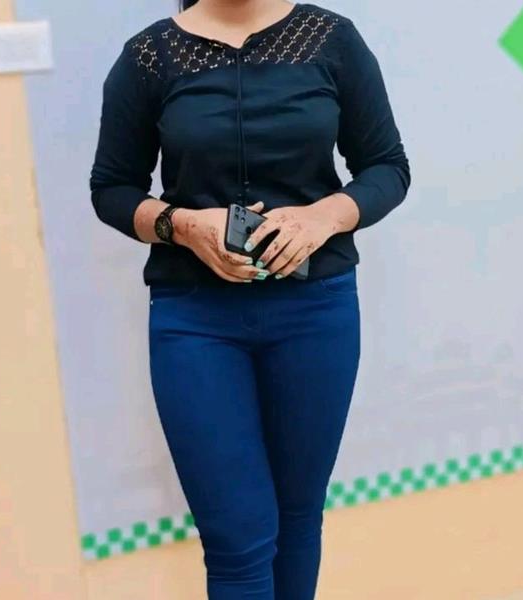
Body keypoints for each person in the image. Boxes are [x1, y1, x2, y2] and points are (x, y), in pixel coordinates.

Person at [89, 0, 411, 598]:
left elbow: (387, 168)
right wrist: (184, 226)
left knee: (297, 519)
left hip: (316, 312)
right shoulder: (148, 56)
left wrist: (325, 217)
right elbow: (111, 189)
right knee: (236, 538)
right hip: (195, 321)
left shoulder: (332, 39)